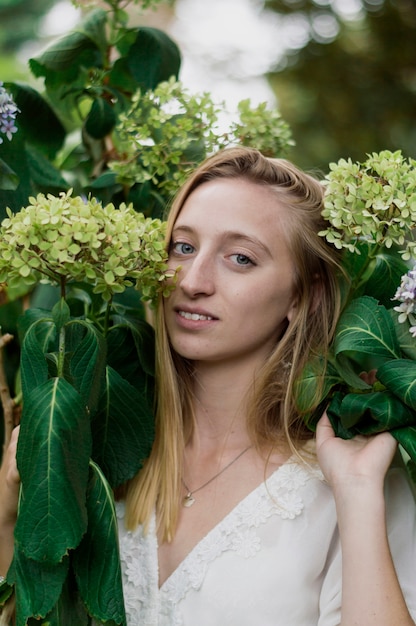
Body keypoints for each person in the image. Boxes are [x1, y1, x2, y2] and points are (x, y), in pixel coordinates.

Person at [1, 146, 416, 625]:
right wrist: (9, 510)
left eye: (240, 258)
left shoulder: (351, 472)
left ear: (304, 296)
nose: (193, 281)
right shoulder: (102, 448)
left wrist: (359, 493)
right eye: (183, 247)